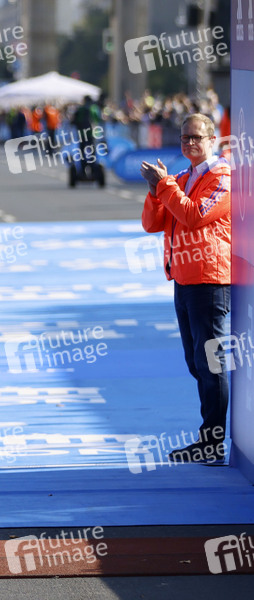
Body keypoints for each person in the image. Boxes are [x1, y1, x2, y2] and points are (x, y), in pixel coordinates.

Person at [140, 113, 231, 464]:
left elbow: (194, 215)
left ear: (212, 140)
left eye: (196, 137)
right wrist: (156, 191)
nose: (190, 143)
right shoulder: (181, 178)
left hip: (209, 278)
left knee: (210, 364)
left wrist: (164, 186)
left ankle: (212, 442)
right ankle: (209, 439)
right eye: (184, 138)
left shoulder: (222, 175)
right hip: (184, 277)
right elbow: (153, 224)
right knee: (197, 363)